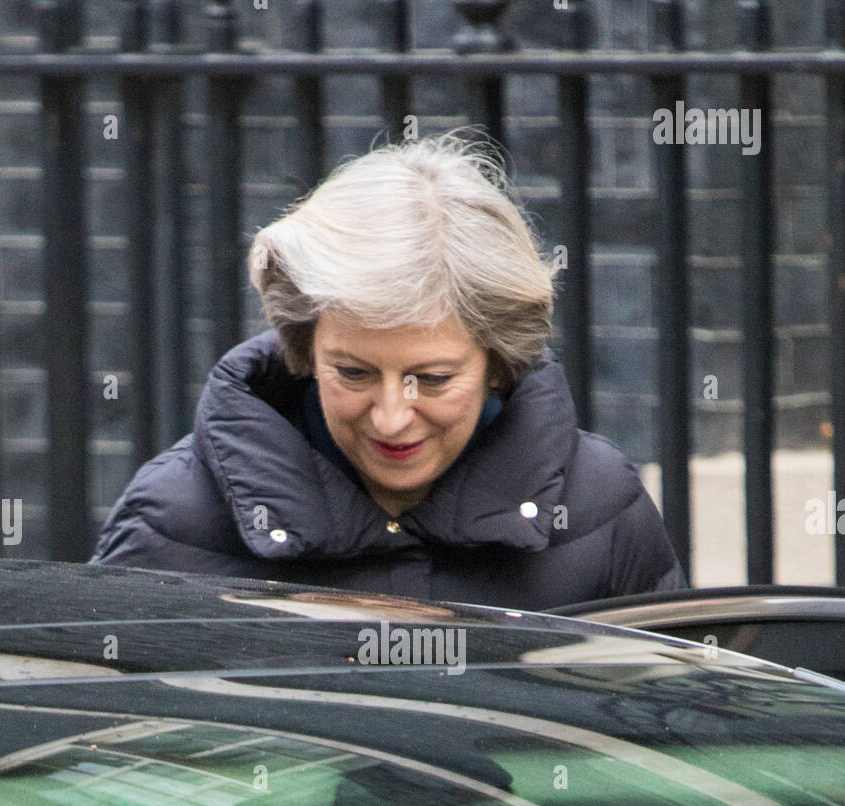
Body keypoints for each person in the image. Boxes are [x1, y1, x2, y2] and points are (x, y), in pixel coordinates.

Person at [92, 134, 685, 607]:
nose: (393, 417)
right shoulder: (175, 513)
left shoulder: (602, 504)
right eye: (353, 373)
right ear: (303, 350)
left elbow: (674, 734)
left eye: (432, 379)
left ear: (500, 364)